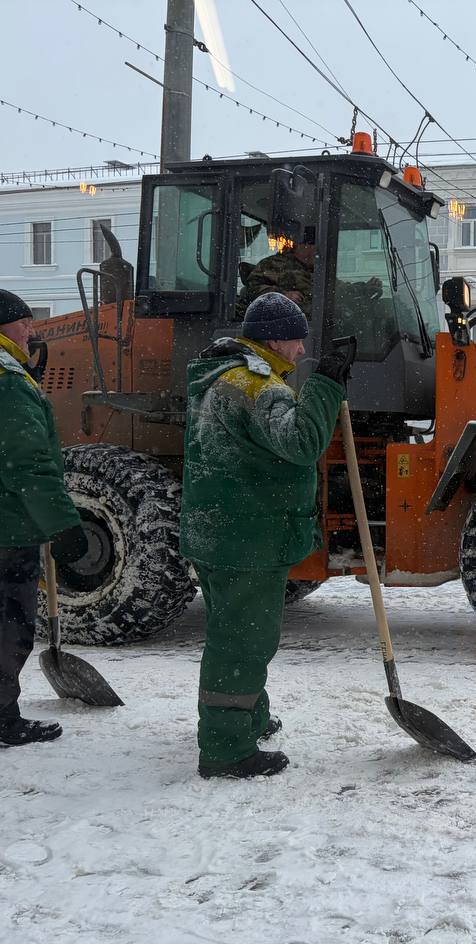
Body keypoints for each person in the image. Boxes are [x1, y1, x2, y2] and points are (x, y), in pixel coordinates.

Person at [180, 292, 352, 779]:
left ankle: (248, 718)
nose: (301, 350)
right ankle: (226, 749)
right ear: (275, 339)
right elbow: (300, 442)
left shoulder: (222, 376)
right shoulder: (256, 385)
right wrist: (326, 384)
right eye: (296, 339)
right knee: (242, 643)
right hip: (247, 537)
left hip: (221, 530)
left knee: (234, 632)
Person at [0, 290, 88, 746]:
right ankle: (2, 718)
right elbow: (28, 464)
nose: (31, 330)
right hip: (8, 527)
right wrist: (62, 524)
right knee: (9, 626)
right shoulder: (9, 381)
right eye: (25, 322)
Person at [234, 239, 382, 320]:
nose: (317, 252)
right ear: (302, 246)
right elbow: (252, 289)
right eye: (313, 246)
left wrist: (364, 288)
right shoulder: (275, 264)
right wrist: (283, 296)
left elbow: (337, 289)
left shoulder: (316, 271)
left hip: (314, 323)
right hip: (285, 328)